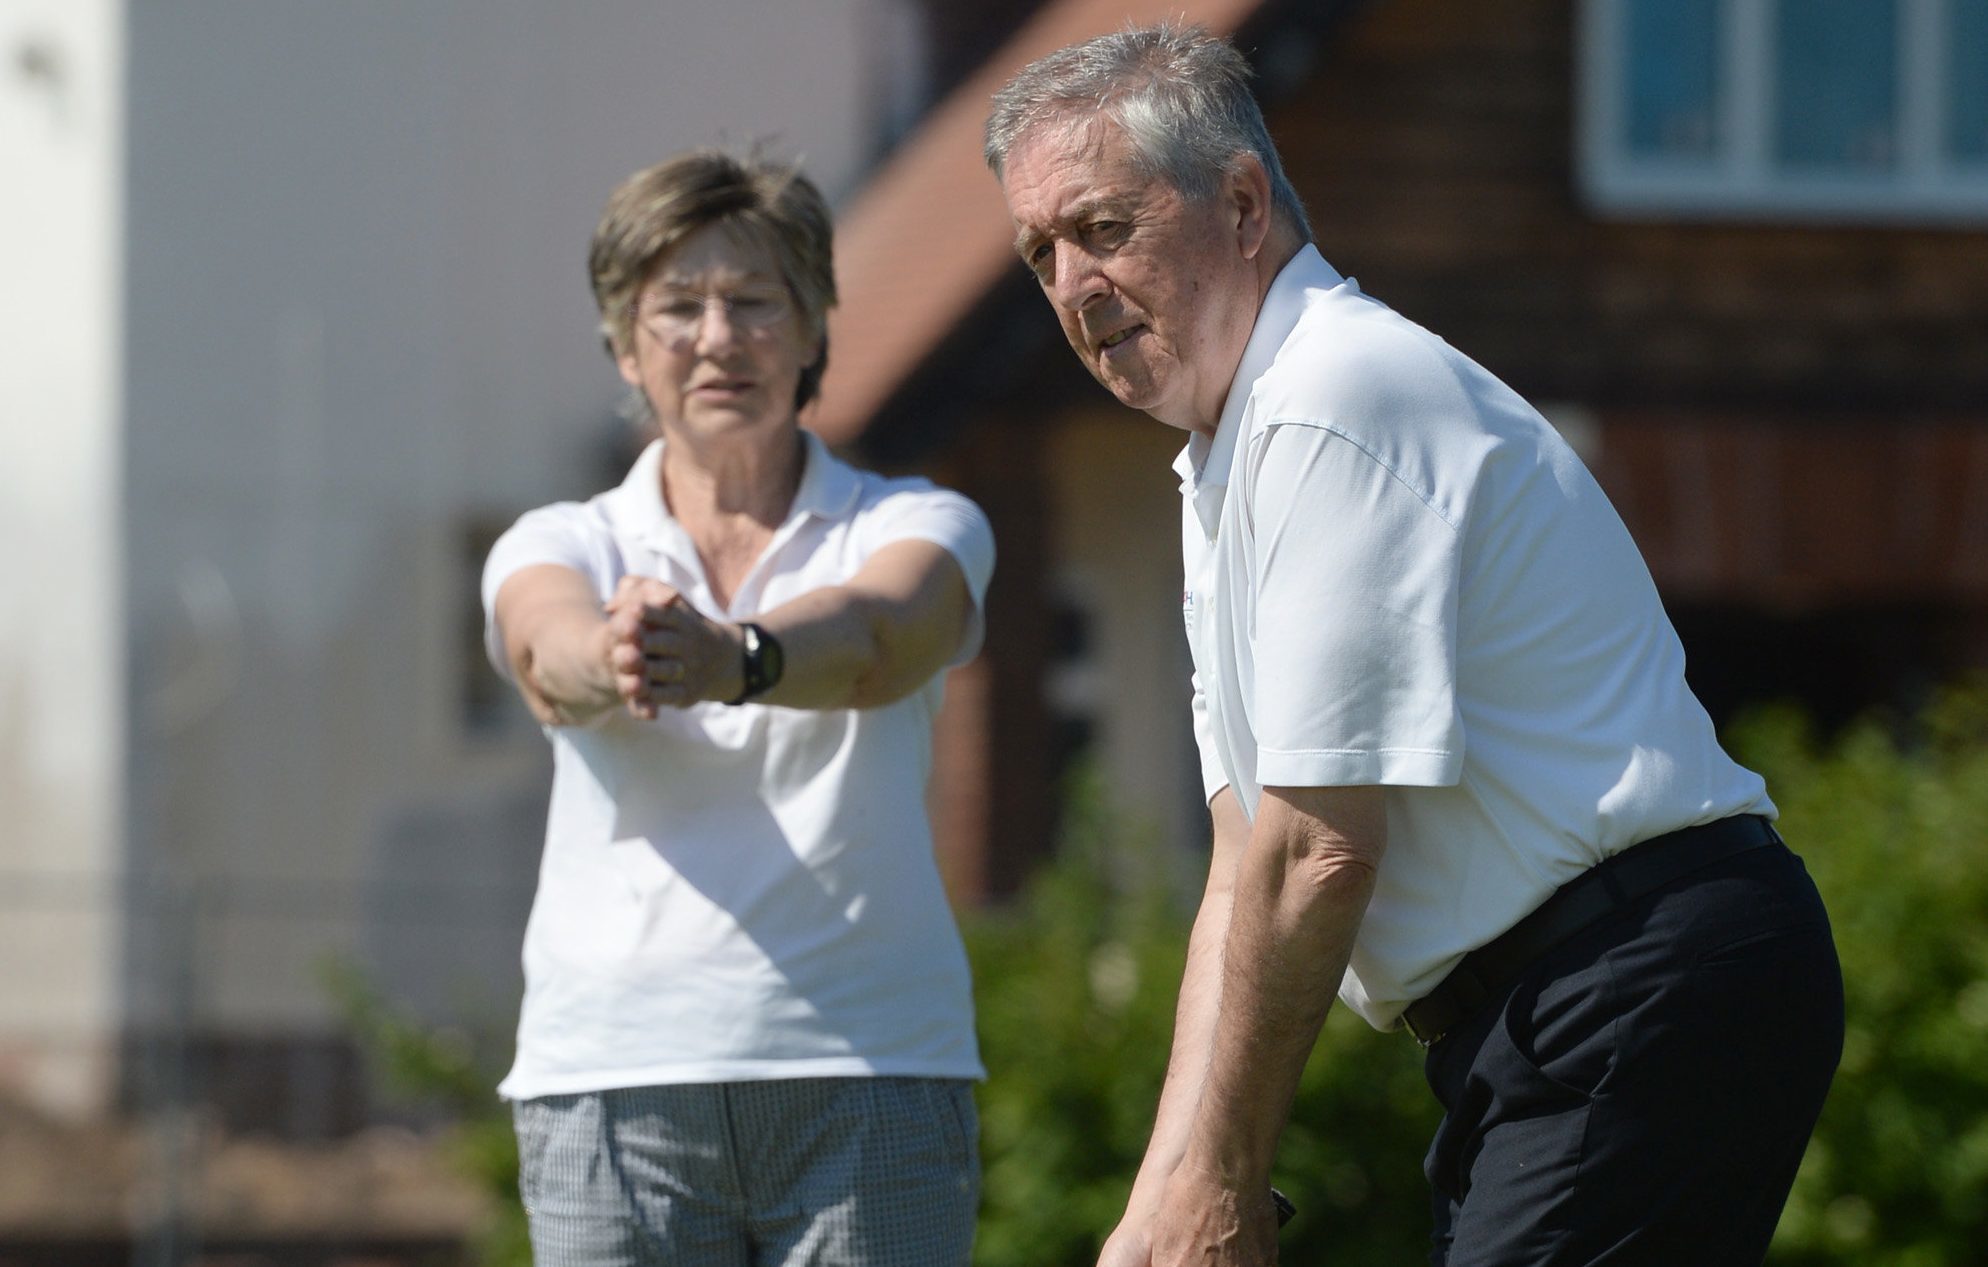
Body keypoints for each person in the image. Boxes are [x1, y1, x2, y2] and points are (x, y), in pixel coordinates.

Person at [986, 24, 1842, 1267]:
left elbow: (1315, 847)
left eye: (1101, 228)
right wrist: (1161, 1196)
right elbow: (1242, 862)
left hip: (1636, 984)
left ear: (1238, 202)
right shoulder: (1226, 454)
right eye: (1038, 252)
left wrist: (1219, 1183)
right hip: (1562, 1010)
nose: (1069, 283)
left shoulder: (1338, 397)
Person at [481, 149, 991, 1267]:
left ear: (813, 329)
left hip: (870, 1073)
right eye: (677, 308)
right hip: (613, 1081)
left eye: (756, 301)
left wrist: (729, 658)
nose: (718, 337)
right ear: (624, 345)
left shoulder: (920, 521)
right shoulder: (561, 539)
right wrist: (616, 651)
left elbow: (875, 640)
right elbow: (543, 643)